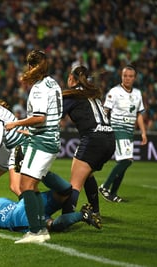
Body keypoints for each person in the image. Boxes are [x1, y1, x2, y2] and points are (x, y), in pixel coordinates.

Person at [5, 50, 63, 244]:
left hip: (42, 141)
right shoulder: (53, 83)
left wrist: (16, 124)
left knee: (25, 186)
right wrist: (29, 131)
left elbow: (40, 118)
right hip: (50, 138)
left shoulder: (39, 88)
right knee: (33, 185)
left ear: (31, 66)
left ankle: (35, 231)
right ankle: (40, 229)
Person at [60, 65, 115, 222]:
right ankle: (95, 211)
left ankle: (67, 218)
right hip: (110, 140)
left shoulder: (72, 95)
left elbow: (55, 116)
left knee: (75, 183)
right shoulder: (93, 95)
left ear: (71, 78)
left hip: (94, 139)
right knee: (87, 173)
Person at [0, 172, 102, 232]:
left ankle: (82, 215)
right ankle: (41, 172)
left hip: (18, 219)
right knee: (65, 192)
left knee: (51, 225)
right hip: (24, 204)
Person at [99, 65, 148, 202]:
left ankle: (113, 194)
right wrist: (103, 127)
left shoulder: (137, 93)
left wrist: (143, 133)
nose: (127, 78)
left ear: (135, 78)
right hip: (117, 128)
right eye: (125, 76)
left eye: (130, 76)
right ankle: (105, 186)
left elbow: (139, 114)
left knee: (124, 162)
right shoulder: (114, 92)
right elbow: (105, 111)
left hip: (129, 131)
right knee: (127, 160)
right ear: (122, 76)